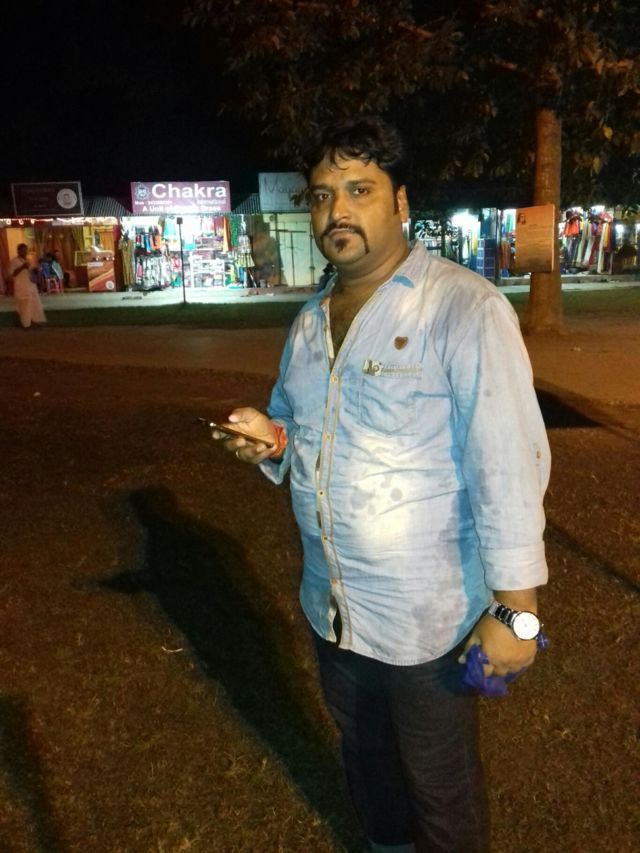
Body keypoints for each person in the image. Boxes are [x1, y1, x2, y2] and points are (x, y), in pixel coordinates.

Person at [211, 116, 550, 852]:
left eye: (359, 190)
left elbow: (507, 459)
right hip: (333, 605)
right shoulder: (310, 321)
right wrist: (272, 438)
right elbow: (301, 422)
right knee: (367, 764)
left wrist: (517, 611)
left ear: (400, 202)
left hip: (426, 619)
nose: (337, 211)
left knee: (440, 787)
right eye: (322, 195)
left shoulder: (462, 307)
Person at [8, 243, 46, 329]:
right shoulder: (14, 261)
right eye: (22, 250)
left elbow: (31, 270)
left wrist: (36, 269)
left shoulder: (28, 260)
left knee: (34, 304)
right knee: (24, 306)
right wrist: (22, 267)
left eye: (25, 250)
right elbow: (12, 274)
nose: (24, 252)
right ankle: (26, 324)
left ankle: (33, 321)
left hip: (31, 286)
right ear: (18, 251)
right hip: (21, 287)